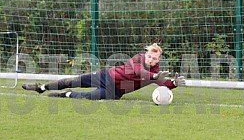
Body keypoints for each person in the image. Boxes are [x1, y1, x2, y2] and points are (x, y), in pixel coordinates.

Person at [22, 43, 186, 100]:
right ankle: (41, 87)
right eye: (150, 56)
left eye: (155, 59)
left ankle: (66, 95)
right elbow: (139, 72)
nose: (151, 60)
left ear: (158, 60)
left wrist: (174, 83)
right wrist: (154, 76)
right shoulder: (138, 58)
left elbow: (164, 83)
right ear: (146, 54)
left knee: (88, 97)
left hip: (115, 91)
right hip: (106, 76)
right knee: (73, 80)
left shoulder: (157, 71)